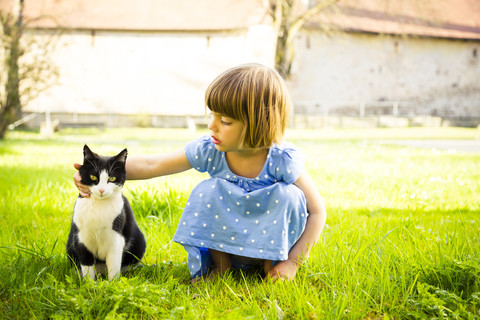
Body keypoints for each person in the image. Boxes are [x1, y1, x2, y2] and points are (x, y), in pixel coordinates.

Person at [73, 63, 327, 282]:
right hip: (228, 244)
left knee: (290, 196)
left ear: (261, 124)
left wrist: (294, 261)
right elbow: (154, 165)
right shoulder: (211, 150)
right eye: (212, 115)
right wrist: (95, 170)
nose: (212, 125)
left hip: (269, 247)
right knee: (209, 189)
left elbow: (317, 212)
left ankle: (273, 266)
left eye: (225, 121)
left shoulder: (281, 160)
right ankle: (220, 265)